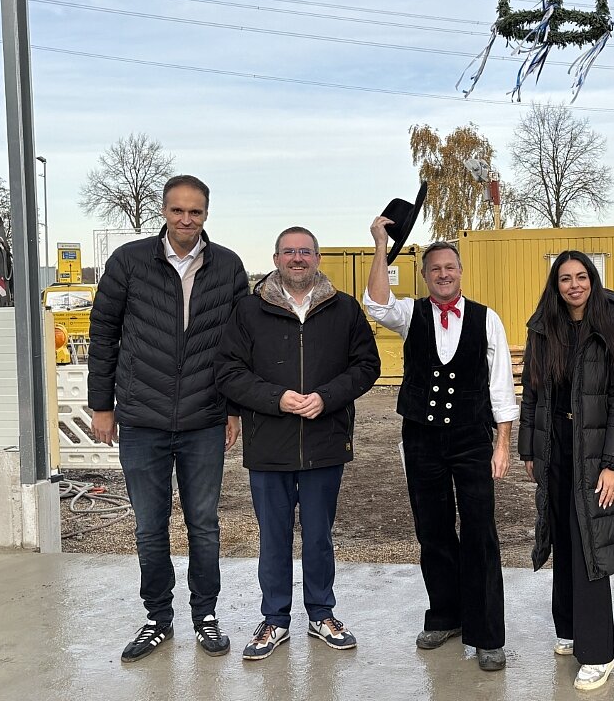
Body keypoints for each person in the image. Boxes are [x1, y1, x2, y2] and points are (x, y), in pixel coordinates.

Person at [88, 174, 249, 663]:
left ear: (206, 215)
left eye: (195, 212)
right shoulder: (129, 262)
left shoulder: (227, 266)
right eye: (177, 211)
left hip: (204, 417)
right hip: (142, 418)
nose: (186, 220)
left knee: (203, 524)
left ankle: (206, 615)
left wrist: (234, 409)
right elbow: (103, 333)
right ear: (164, 211)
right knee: (149, 526)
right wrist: (102, 405)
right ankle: (158, 617)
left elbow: (242, 342)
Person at [215, 226, 380, 659]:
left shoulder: (344, 309)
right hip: (269, 445)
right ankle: (274, 620)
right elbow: (228, 371)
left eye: (305, 251)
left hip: (325, 443)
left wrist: (327, 398)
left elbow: (367, 366)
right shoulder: (249, 311)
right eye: (289, 252)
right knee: (273, 538)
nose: (297, 259)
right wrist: (277, 399)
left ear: (317, 258)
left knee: (319, 536)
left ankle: (321, 614)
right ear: (275, 259)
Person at [364, 217, 518, 672]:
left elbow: (500, 384)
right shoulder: (410, 313)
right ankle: (445, 615)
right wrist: (379, 245)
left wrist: (503, 442)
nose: (444, 274)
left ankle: (487, 634)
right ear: (425, 275)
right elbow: (375, 302)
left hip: (472, 438)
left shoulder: (486, 318)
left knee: (480, 534)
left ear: (460, 271)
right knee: (432, 532)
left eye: (450, 267)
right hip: (421, 439)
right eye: (435, 269)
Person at [517, 250, 614, 691]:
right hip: (557, 447)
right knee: (563, 535)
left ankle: (599, 653)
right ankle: (570, 628)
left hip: (597, 450)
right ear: (555, 285)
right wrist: (530, 450)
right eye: (564, 279)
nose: (573, 285)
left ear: (592, 280)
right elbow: (533, 394)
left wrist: (613, 464)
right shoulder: (545, 326)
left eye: (581, 277)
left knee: (591, 546)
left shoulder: (613, 324)